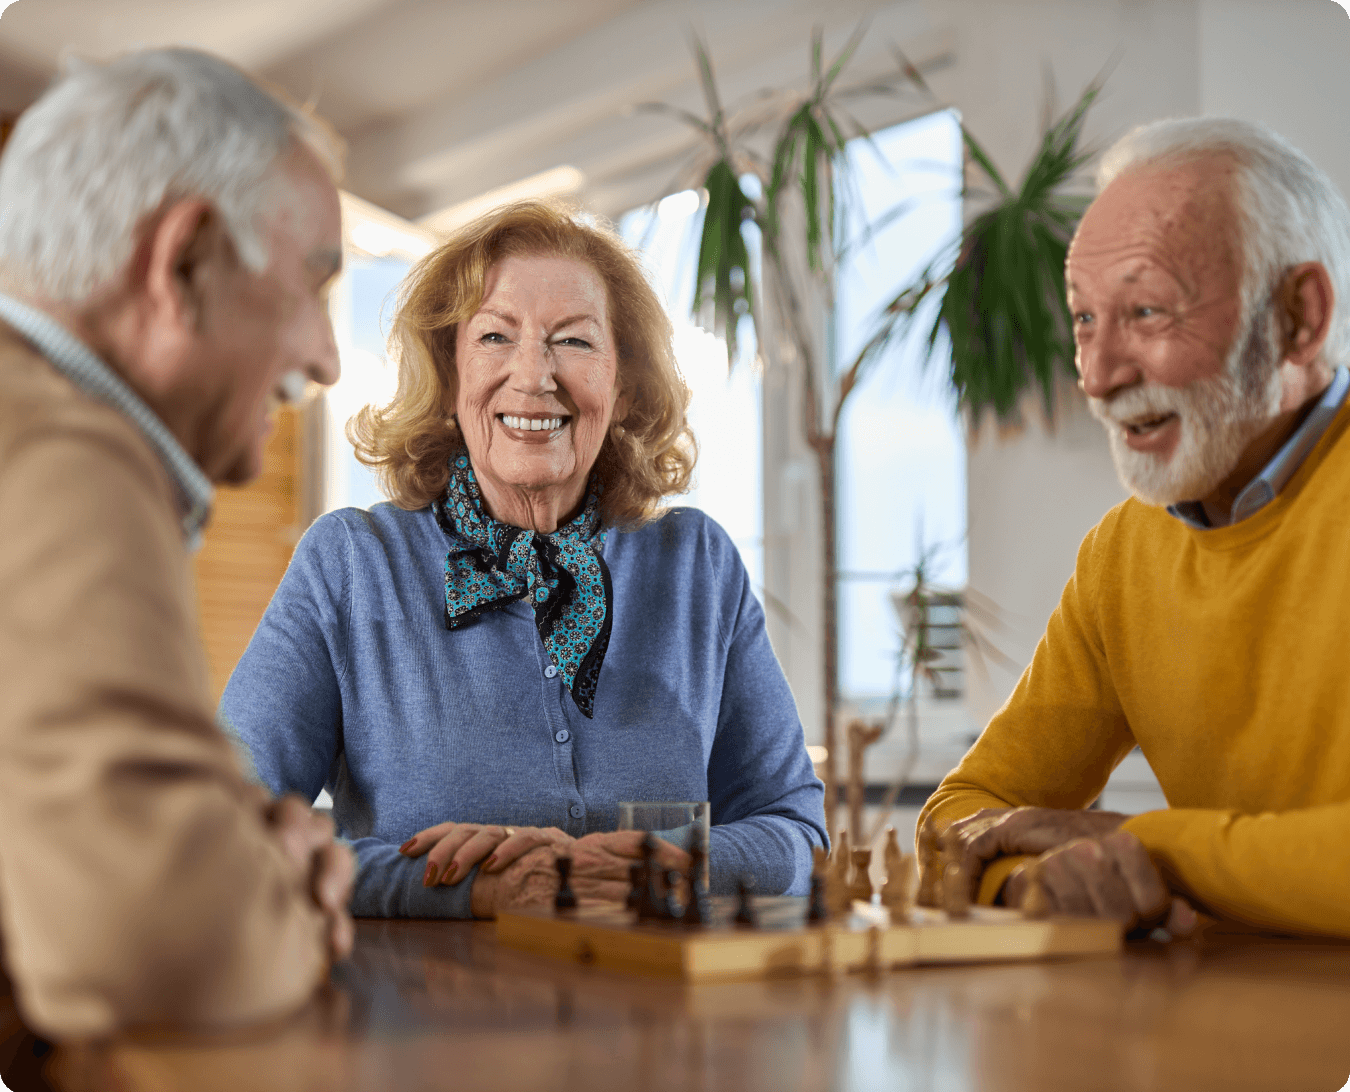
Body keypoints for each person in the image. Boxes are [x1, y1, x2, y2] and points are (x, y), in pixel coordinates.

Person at [221, 201, 827, 919]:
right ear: (450, 378)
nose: (533, 374)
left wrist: (677, 864)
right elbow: (228, 834)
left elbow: (798, 835)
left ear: (622, 387)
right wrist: (461, 886)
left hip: (662, 1021)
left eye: (572, 341)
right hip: (419, 1019)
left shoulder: (698, 566)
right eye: (496, 336)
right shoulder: (351, 563)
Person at [0, 47, 354, 1060]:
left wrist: (227, 849)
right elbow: (161, 944)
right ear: (183, 263)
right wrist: (275, 900)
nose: (329, 356)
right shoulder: (66, 455)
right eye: (312, 282)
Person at [920, 117, 1350, 939]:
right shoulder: (1124, 552)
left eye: (1147, 310)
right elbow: (965, 813)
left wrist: (1147, 848)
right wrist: (1035, 874)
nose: (1098, 374)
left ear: (1300, 317)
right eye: (1084, 318)